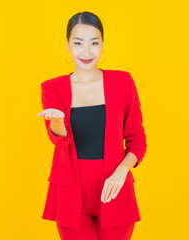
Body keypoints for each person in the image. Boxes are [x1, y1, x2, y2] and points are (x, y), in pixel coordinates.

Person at [37, 11, 147, 240]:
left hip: (114, 188)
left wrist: (121, 171)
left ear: (102, 44)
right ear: (68, 45)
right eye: (78, 43)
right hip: (70, 191)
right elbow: (59, 140)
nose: (86, 52)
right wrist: (57, 122)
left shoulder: (123, 82)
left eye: (94, 43)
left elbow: (137, 140)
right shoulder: (52, 88)